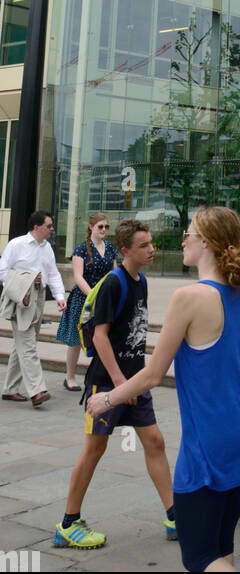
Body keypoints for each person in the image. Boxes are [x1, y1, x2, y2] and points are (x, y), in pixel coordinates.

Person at [86, 207, 240, 573]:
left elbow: (153, 374)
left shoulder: (189, 297)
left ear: (208, 243)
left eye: (189, 233)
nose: (182, 240)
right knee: (221, 544)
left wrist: (106, 398)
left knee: (199, 556)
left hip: (211, 441)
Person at [54, 219, 175, 550]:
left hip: (133, 382)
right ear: (125, 251)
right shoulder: (113, 283)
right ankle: (68, 523)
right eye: (144, 246)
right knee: (94, 449)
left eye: (151, 243)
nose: (152, 249)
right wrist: (122, 385)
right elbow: (99, 337)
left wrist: (133, 383)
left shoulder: (142, 282)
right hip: (106, 385)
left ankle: (174, 515)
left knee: (155, 442)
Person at [0, 210, 66, 407]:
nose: (52, 229)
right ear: (37, 227)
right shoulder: (16, 244)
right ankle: (37, 391)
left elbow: (53, 274)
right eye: (49, 226)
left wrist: (60, 297)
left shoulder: (47, 248)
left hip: (38, 299)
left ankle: (10, 389)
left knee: (23, 343)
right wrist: (27, 278)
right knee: (27, 344)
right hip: (20, 299)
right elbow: (3, 271)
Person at [55, 212, 118, 391]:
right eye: (100, 226)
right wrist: (93, 295)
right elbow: (78, 277)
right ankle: (70, 377)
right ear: (91, 227)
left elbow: (115, 273)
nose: (104, 230)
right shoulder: (81, 249)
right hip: (83, 297)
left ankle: (104, 375)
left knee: (104, 336)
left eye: (106, 227)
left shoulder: (110, 247)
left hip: (104, 298)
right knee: (76, 339)